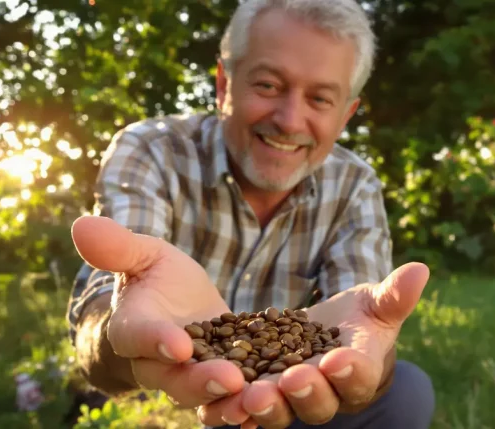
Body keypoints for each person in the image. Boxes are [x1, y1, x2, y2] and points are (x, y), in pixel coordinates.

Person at [66, 0, 436, 428]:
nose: (289, 120)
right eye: (268, 86)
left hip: (289, 396)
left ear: (345, 116)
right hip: (168, 400)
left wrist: (363, 353)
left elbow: (360, 330)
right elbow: (98, 325)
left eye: (320, 98)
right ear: (224, 84)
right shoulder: (151, 150)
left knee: (406, 391)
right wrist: (133, 338)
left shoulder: (355, 185)